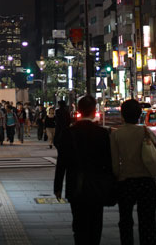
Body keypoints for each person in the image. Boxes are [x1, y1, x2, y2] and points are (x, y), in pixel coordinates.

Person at [54, 95, 112, 245]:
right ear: (94, 111)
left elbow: (62, 162)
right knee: (96, 224)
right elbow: (108, 161)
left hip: (76, 185)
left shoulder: (69, 133)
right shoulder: (103, 133)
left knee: (79, 225)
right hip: (97, 185)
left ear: (78, 111)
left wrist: (58, 187)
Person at [110, 98, 156, 245]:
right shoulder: (146, 132)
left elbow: (114, 163)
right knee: (148, 222)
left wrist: (117, 177)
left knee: (125, 221)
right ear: (139, 115)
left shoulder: (116, 135)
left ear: (122, 115)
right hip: (146, 182)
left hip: (126, 182)